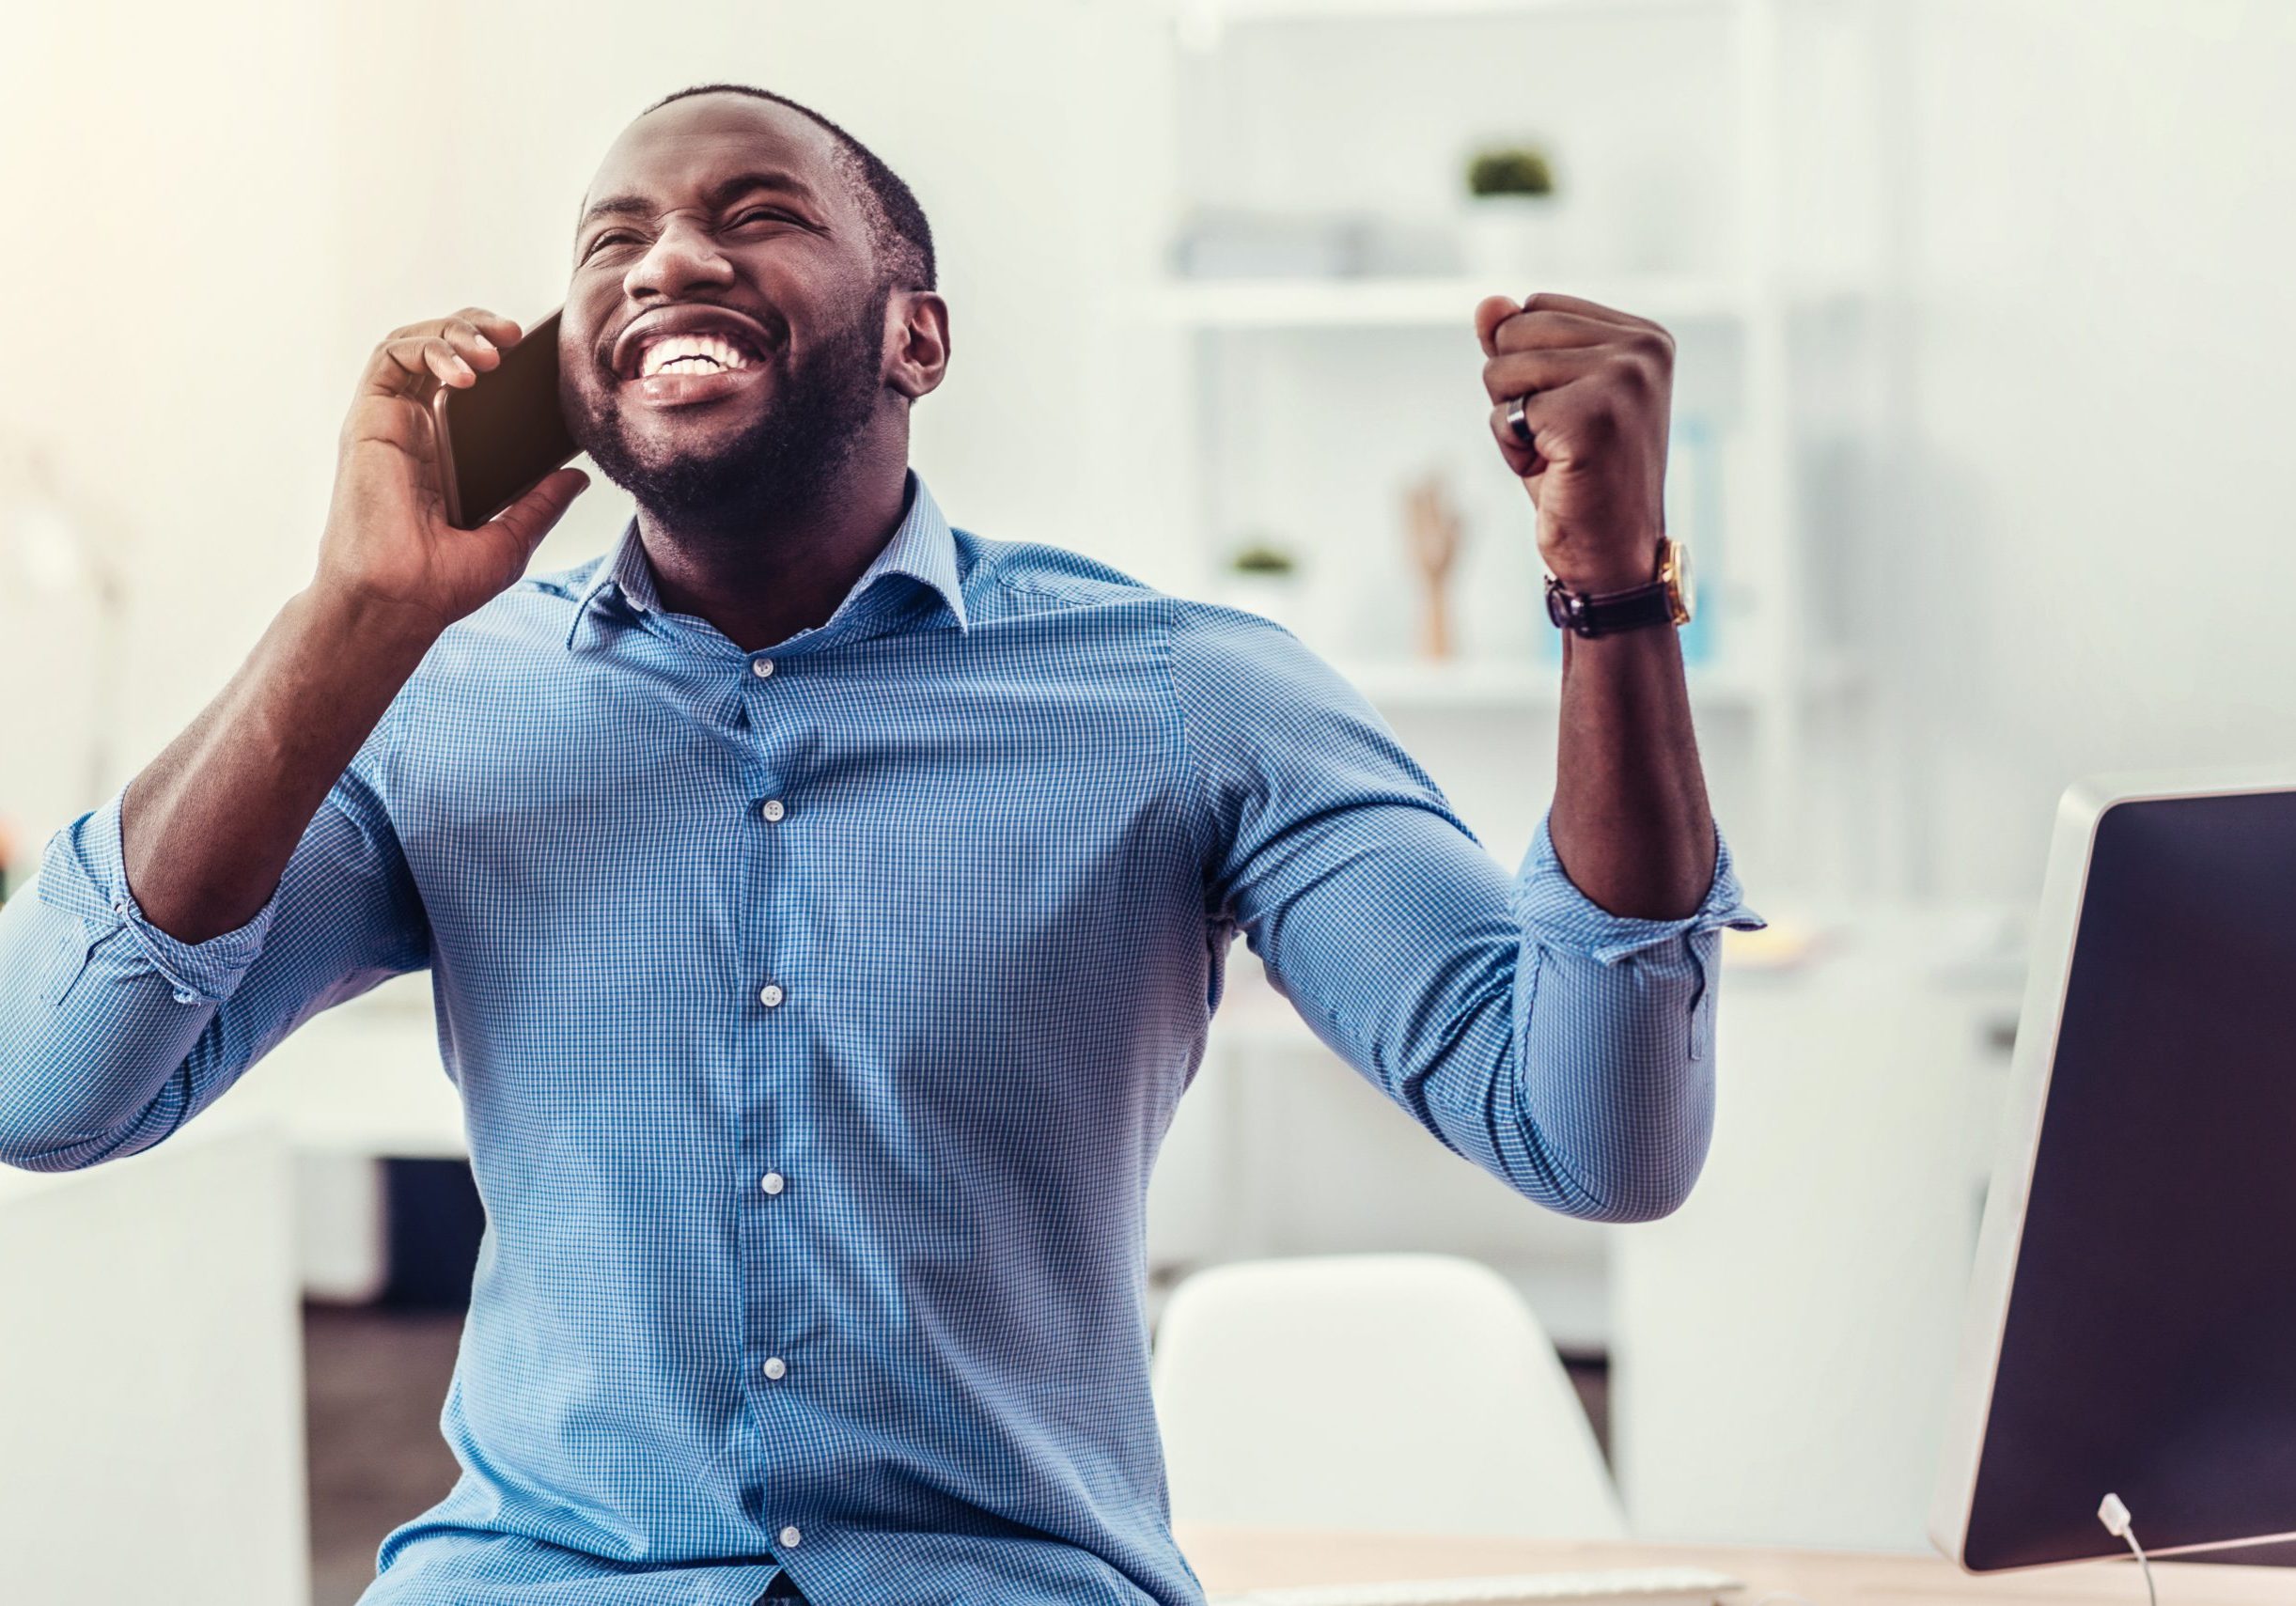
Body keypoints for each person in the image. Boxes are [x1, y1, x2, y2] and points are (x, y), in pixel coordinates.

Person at [0, 83, 1759, 1606]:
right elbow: (44, 1082)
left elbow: (1594, 1129)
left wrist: (1614, 592)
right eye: (613, 242)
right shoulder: (439, 703)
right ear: (570, 373)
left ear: (919, 338)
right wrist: (353, 614)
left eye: (752, 217)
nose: (668, 261)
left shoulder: (1186, 695)